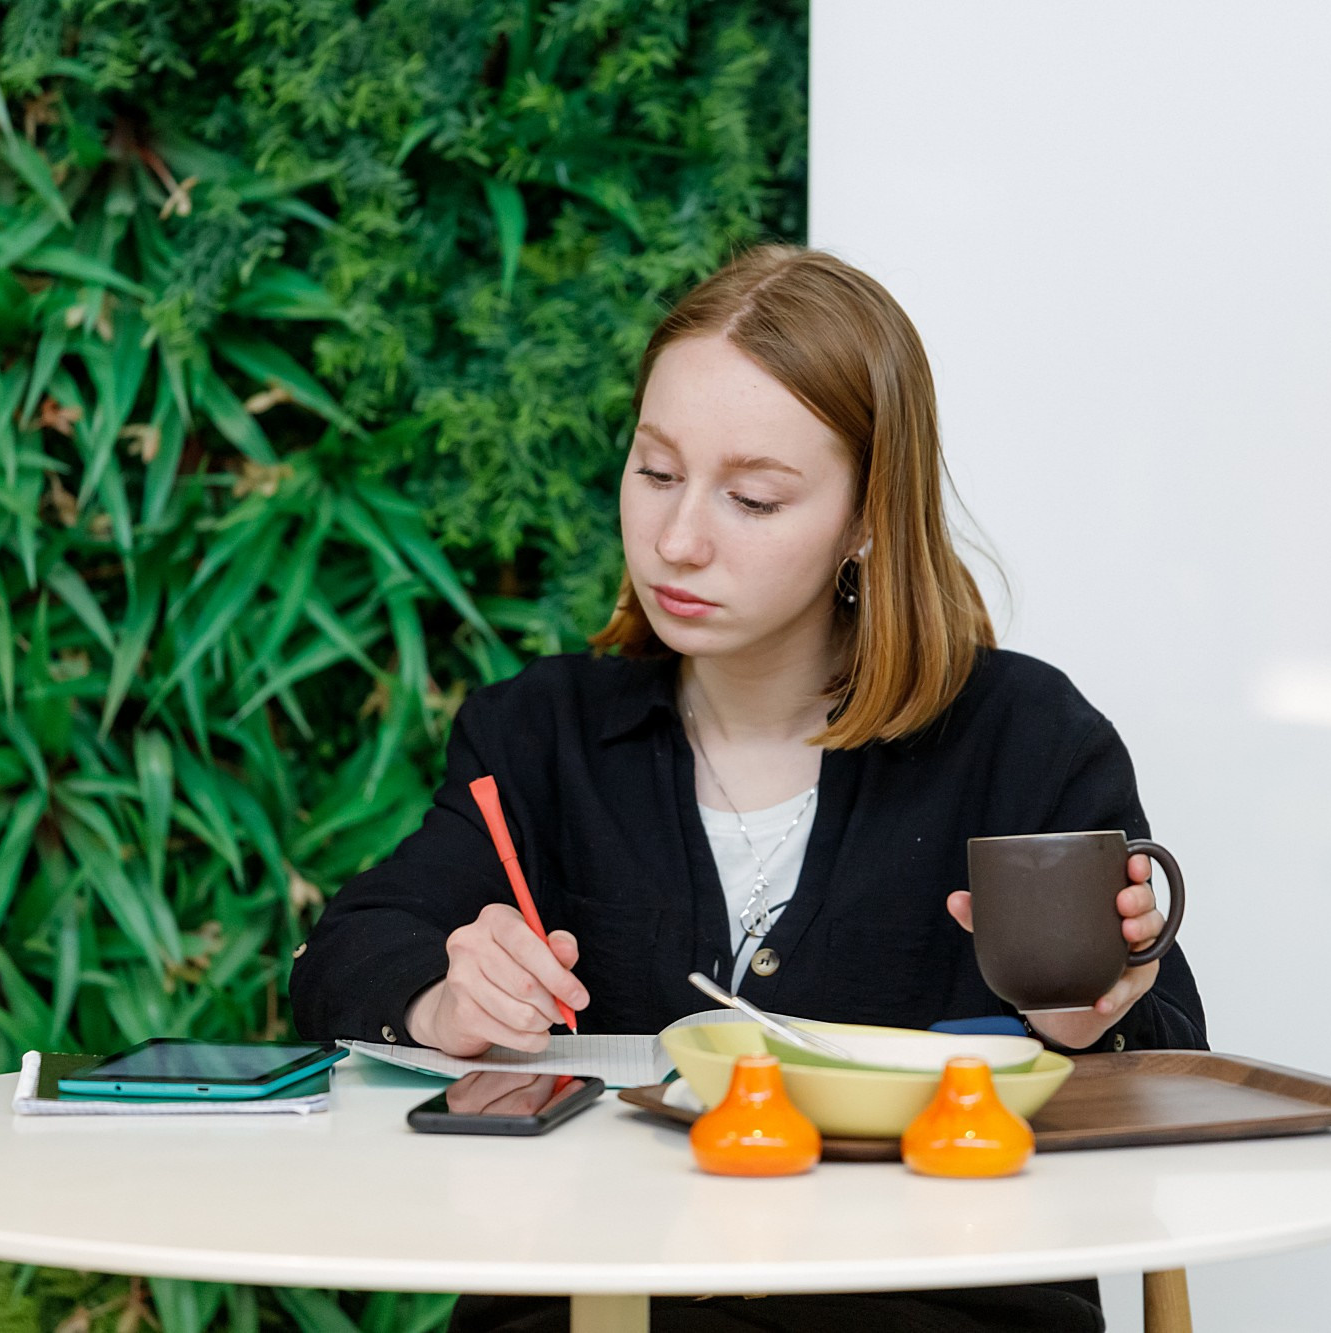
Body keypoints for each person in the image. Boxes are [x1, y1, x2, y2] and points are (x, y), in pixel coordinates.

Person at [290, 244, 1206, 1333]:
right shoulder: (539, 735)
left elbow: (1168, 1069)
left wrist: (1082, 1019)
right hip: (596, 1308)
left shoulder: (1021, 738)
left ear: (868, 518)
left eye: (753, 499)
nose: (677, 540)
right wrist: (446, 992)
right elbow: (346, 952)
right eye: (655, 472)